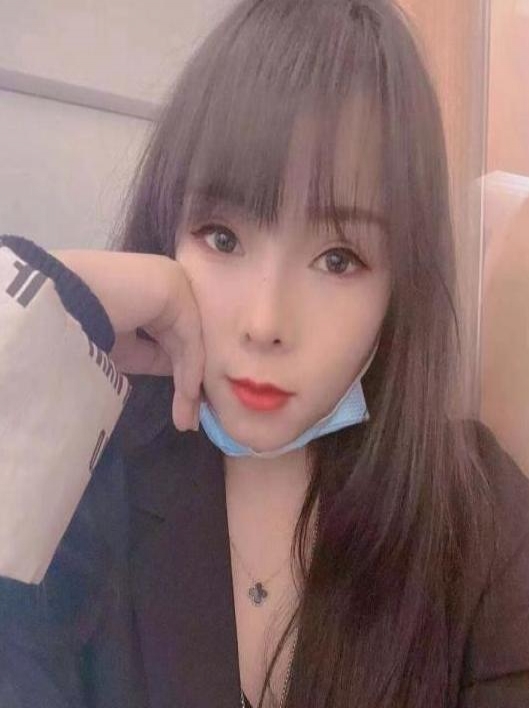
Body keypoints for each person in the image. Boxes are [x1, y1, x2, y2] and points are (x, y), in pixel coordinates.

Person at [1, 0, 528, 707]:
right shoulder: (88, 468)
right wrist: (59, 302)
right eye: (223, 238)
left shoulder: (475, 512)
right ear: (168, 230)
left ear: (398, 285)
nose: (266, 322)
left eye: (338, 259)